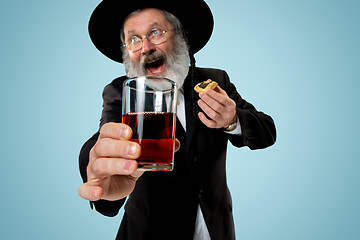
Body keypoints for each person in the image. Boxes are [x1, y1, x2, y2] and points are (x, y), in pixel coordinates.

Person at [78, 0, 276, 239]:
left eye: (155, 32)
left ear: (181, 36)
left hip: (217, 231)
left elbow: (267, 130)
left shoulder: (216, 81)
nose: (146, 47)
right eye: (134, 39)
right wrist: (97, 163)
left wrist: (232, 120)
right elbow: (102, 140)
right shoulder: (122, 93)